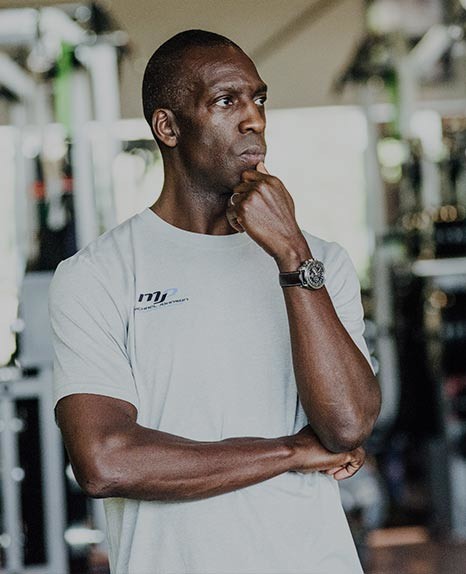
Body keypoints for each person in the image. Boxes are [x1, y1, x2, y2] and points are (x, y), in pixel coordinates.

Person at [49, 29, 381, 574]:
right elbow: (106, 461)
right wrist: (290, 452)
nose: (254, 119)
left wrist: (292, 256)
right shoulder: (97, 275)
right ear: (168, 127)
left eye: (259, 98)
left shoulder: (319, 261)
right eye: (226, 101)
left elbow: (347, 427)